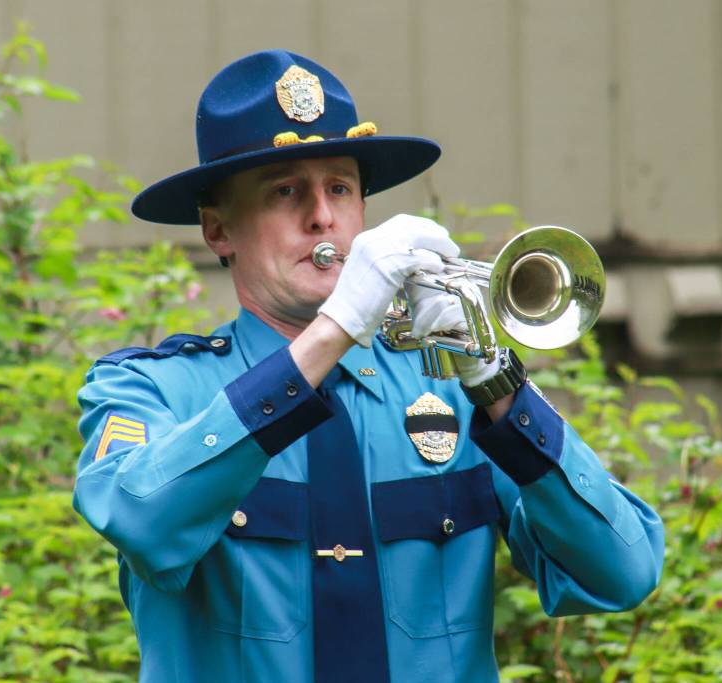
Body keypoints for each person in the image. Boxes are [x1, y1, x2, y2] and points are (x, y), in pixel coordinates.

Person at [73, 50, 664, 683]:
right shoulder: (151, 388)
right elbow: (141, 521)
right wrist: (335, 330)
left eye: (339, 188)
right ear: (219, 230)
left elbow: (621, 572)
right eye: (285, 191)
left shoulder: (454, 387)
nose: (321, 215)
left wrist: (496, 380)